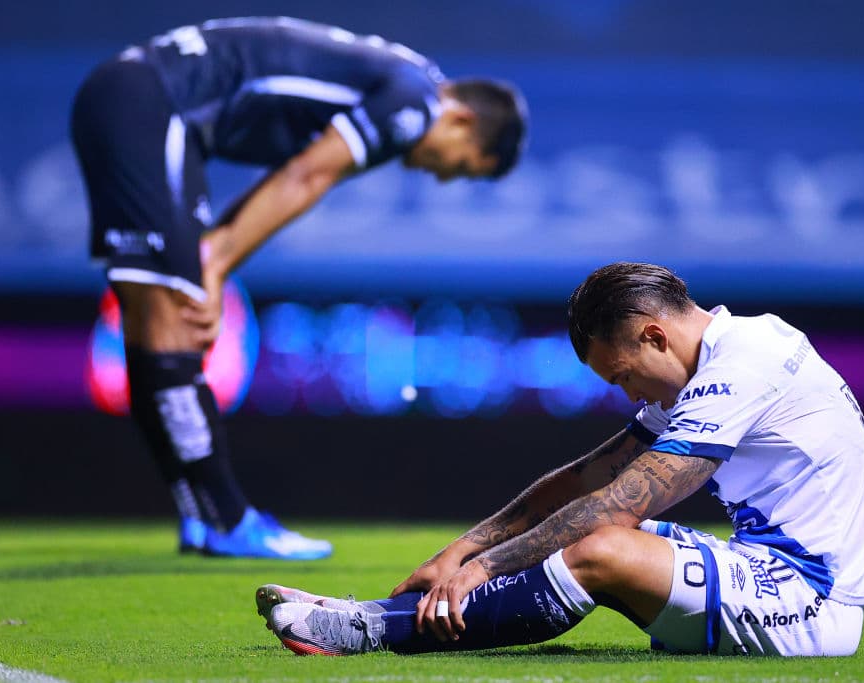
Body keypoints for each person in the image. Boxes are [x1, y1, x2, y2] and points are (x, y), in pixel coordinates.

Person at [70, 16, 528, 559]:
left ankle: (205, 515)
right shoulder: (415, 104)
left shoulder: (403, 79)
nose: (442, 177)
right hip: (149, 104)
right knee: (176, 311)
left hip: (139, 100)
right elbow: (307, 176)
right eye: (461, 167)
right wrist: (212, 265)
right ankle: (225, 519)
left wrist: (212, 256)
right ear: (462, 119)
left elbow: (293, 172)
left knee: (159, 317)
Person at [255, 262, 864, 655]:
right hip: (766, 568)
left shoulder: (746, 366)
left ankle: (376, 632)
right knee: (586, 527)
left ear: (655, 336)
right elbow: (588, 477)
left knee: (602, 544)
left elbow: (623, 500)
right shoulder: (730, 351)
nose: (630, 394)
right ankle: (374, 611)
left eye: (624, 376)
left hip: (812, 604)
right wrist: (461, 551)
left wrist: (484, 568)